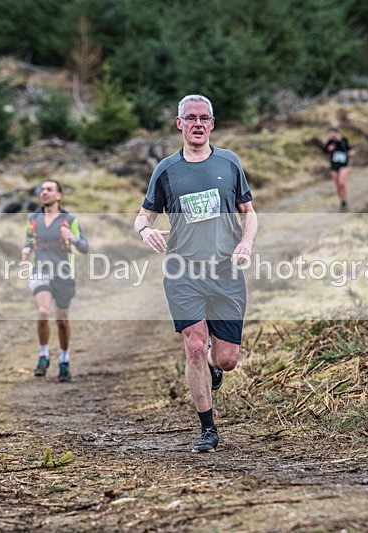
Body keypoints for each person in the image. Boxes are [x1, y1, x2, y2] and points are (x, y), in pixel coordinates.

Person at [134, 94, 258, 453]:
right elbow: (143, 215)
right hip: (182, 270)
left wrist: (245, 244)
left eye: (204, 118)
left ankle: (212, 362)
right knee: (192, 342)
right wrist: (146, 231)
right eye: (190, 118)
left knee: (227, 359)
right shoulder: (167, 170)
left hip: (225, 271)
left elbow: (248, 212)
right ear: (180, 124)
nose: (198, 123)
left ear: (212, 124)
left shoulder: (229, 162)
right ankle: (208, 429)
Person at [21, 180, 88, 383]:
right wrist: (26, 249)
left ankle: (64, 360)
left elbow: (84, 247)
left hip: (63, 273)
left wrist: (73, 238)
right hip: (40, 270)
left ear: (59, 195)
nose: (44, 192)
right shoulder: (33, 218)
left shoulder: (69, 219)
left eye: (49, 189)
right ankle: (43, 356)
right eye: (42, 190)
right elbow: (28, 239)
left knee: (62, 321)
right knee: (42, 312)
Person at [324, 128, 354, 211]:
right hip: (334, 165)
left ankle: (345, 199)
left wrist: (351, 152)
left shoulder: (344, 140)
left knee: (341, 183)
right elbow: (325, 150)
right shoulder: (330, 142)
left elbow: (349, 148)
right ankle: (342, 201)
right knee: (337, 185)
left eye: (334, 134)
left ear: (338, 133)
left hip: (343, 164)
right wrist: (328, 148)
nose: (333, 136)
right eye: (331, 135)